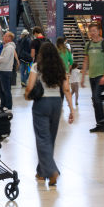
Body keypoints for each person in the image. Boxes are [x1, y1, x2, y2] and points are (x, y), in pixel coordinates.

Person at [25, 42, 74, 187]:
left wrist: (27, 95)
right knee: (50, 138)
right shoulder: (61, 68)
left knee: (42, 138)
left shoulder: (37, 67)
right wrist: (71, 109)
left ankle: (52, 171)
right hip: (56, 104)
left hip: (42, 104)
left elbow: (29, 86)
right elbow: (66, 89)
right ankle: (41, 171)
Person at [81, 23, 104, 133]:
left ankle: (102, 121)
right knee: (95, 99)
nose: (92, 33)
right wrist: (82, 77)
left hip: (101, 76)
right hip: (91, 77)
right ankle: (100, 124)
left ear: (98, 31)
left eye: (94, 31)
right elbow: (86, 61)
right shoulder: (88, 45)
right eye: (91, 31)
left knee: (96, 97)